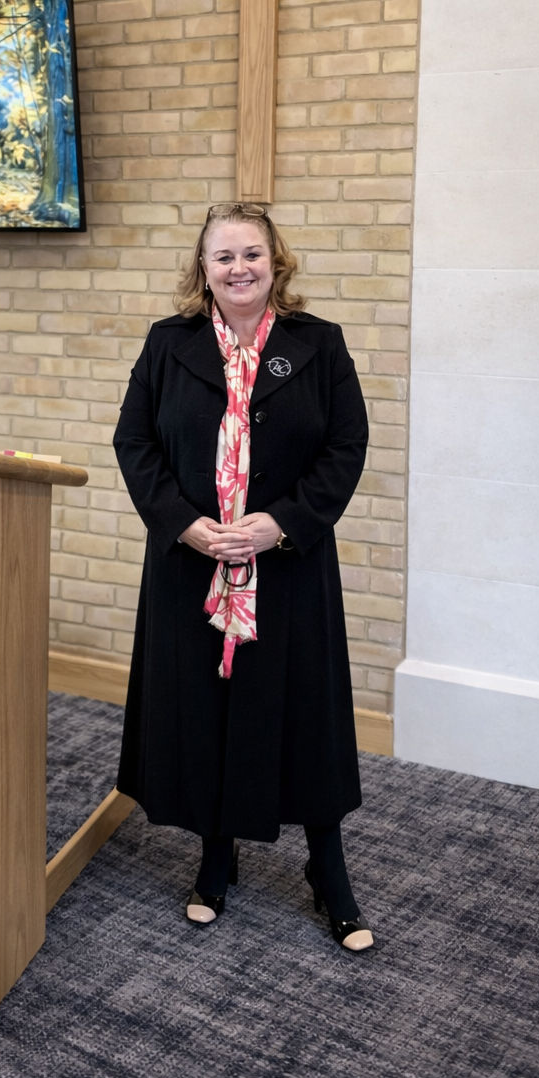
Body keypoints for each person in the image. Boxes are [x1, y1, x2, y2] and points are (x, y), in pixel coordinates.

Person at [113, 201, 373, 950]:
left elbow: (346, 447)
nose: (239, 268)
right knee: (206, 711)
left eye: (251, 254)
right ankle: (214, 858)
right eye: (223, 257)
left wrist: (281, 522)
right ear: (202, 269)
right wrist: (185, 524)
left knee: (303, 717)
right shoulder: (170, 344)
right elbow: (134, 442)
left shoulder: (317, 345)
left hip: (287, 569)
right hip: (192, 569)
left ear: (275, 262)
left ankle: (330, 872)